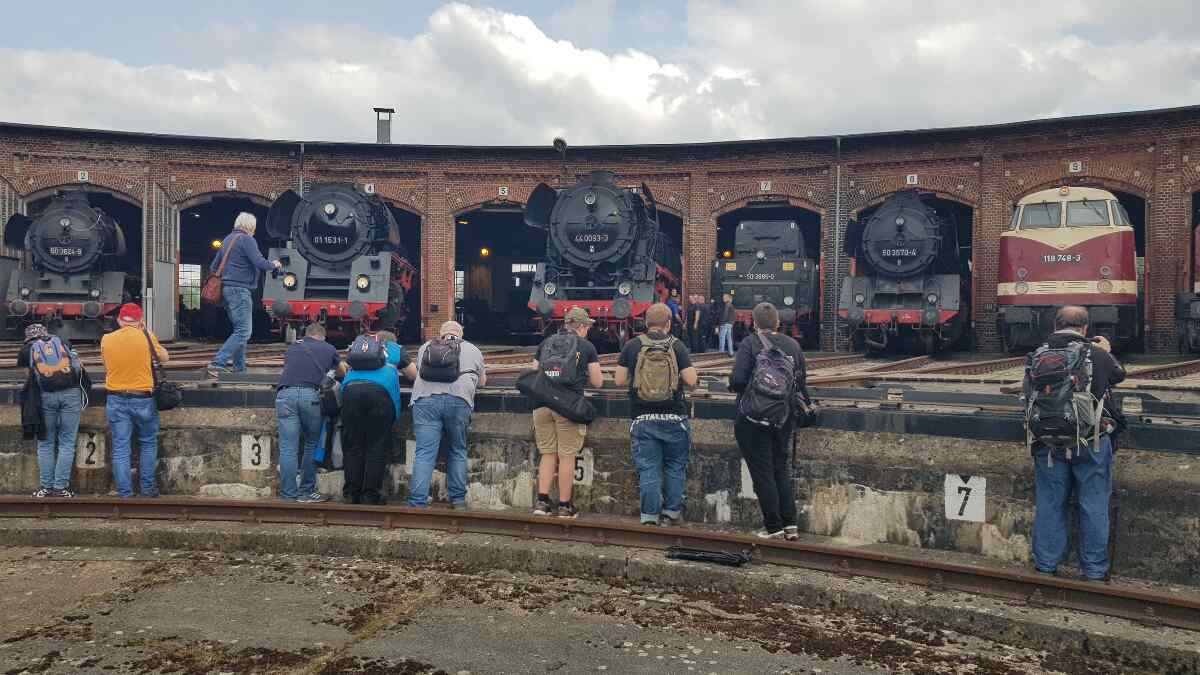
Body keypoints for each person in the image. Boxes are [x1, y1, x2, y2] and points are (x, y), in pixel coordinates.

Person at [1025, 306, 1125, 582]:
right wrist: (1106, 350)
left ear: (1055, 325)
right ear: (1085, 328)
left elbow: (1028, 393)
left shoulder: (1037, 355)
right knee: (1094, 503)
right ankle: (1094, 570)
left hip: (1047, 442)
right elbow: (1119, 376)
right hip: (1090, 441)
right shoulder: (1096, 353)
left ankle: (1046, 565)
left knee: (1049, 502)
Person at [729, 302, 809, 539]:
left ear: (754, 324)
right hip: (783, 417)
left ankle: (773, 527)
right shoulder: (793, 345)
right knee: (779, 468)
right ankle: (790, 525)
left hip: (753, 418)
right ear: (777, 323)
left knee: (763, 472)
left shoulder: (750, 343)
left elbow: (737, 380)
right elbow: (800, 384)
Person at [614, 304, 698, 525]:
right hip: (674, 417)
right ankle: (671, 513)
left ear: (646, 322)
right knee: (675, 467)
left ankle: (650, 517)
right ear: (668, 323)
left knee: (648, 468)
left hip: (643, 418)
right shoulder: (677, 346)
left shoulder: (633, 345)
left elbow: (619, 380)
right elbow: (691, 380)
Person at [530, 307, 603, 518]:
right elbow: (598, 382)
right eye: (587, 327)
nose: (587, 330)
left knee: (547, 454)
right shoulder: (586, 346)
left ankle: (542, 503)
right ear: (581, 326)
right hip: (568, 406)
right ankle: (564, 506)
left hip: (541, 404)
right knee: (567, 456)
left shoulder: (546, 343)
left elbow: (533, 371)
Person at [408, 321, 487, 509]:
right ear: (460, 334)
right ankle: (458, 501)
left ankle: (417, 502)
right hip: (458, 400)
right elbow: (482, 382)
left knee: (424, 453)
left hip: (425, 401)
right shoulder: (473, 349)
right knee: (457, 450)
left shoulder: (426, 347)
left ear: (441, 333)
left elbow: (419, 371)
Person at [101, 303, 170, 498]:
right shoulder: (146, 336)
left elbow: (106, 365)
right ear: (141, 321)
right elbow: (164, 358)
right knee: (148, 443)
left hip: (116, 398)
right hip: (143, 399)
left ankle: (125, 494)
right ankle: (147, 490)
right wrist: (145, 331)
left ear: (119, 320)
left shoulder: (107, 339)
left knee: (121, 447)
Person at [340, 334, 413, 504]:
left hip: (350, 392)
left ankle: (351, 493)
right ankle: (370, 495)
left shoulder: (359, 347)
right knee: (376, 446)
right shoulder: (396, 349)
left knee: (352, 446)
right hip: (380, 394)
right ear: (392, 340)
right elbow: (413, 375)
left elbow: (343, 368)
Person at [207, 212, 281, 377]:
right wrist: (274, 264)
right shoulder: (247, 239)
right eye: (254, 227)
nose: (254, 230)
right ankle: (217, 363)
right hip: (239, 291)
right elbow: (259, 262)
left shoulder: (228, 240)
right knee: (244, 331)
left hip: (226, 291)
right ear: (250, 226)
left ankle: (239, 369)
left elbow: (213, 267)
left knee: (239, 330)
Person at [275, 323, 343, 503]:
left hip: (284, 395)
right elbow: (342, 371)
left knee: (288, 448)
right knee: (311, 443)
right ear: (322, 336)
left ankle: (288, 495)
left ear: (306, 335)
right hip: (310, 396)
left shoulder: (292, 348)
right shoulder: (328, 348)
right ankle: (306, 492)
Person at [19, 324, 83, 498]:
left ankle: (46, 487)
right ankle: (61, 487)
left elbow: (30, 378)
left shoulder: (26, 350)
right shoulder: (62, 341)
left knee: (45, 443)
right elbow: (77, 365)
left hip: (46, 396)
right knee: (67, 442)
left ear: (28, 337)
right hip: (71, 394)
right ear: (46, 333)